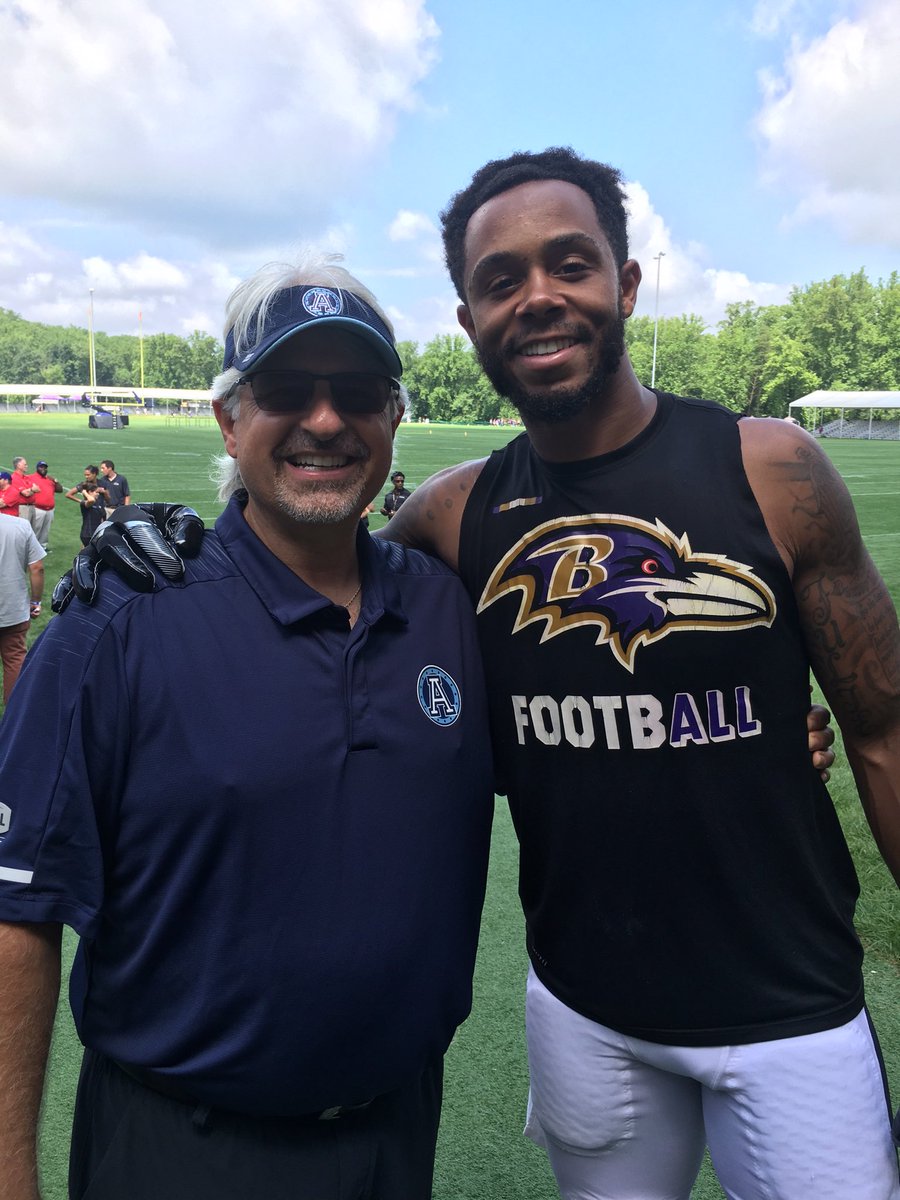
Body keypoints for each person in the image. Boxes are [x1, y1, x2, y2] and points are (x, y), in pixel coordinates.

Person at [55, 155, 860, 1199]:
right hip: (575, 1013)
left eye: (569, 262)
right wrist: (172, 543)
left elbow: (872, 723)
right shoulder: (450, 519)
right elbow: (302, 566)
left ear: (627, 282)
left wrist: (749, 725)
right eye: (499, 280)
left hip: (772, 1008)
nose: (326, 421)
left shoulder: (759, 466)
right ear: (471, 320)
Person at [0, 256, 493, 1200]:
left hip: (396, 1135)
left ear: (394, 416)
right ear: (229, 416)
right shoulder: (117, 621)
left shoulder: (445, 612)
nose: (323, 421)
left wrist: (767, 738)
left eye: (356, 393)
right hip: (181, 1149)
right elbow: (18, 905)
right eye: (283, 391)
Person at [0, 515, 44, 704]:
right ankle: (13, 716)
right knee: (15, 660)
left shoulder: (21, 525)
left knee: (15, 659)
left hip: (13, 610)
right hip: (13, 609)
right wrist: (36, 601)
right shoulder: (19, 526)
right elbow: (37, 568)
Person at [65, 466, 106, 547]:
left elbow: (108, 497)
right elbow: (68, 494)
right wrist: (82, 501)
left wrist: (104, 492)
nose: (86, 477)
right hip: (89, 508)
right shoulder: (84, 485)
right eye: (85, 475)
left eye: (88, 475)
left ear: (94, 474)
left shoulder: (101, 483)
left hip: (99, 510)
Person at [27, 461, 63, 551]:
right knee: (36, 530)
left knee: (45, 531)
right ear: (37, 468)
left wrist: (55, 481)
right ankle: (32, 548)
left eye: (45, 467)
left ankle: (42, 547)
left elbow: (60, 490)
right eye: (41, 467)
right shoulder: (30, 478)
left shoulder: (49, 480)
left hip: (50, 510)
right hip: (38, 509)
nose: (43, 469)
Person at [8, 458, 39, 528]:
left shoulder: (26, 477)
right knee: (23, 530)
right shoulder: (14, 478)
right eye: (25, 464)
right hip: (23, 508)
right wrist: (32, 490)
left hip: (31, 507)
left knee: (31, 532)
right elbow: (26, 493)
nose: (27, 466)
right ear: (18, 465)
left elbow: (37, 489)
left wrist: (31, 490)